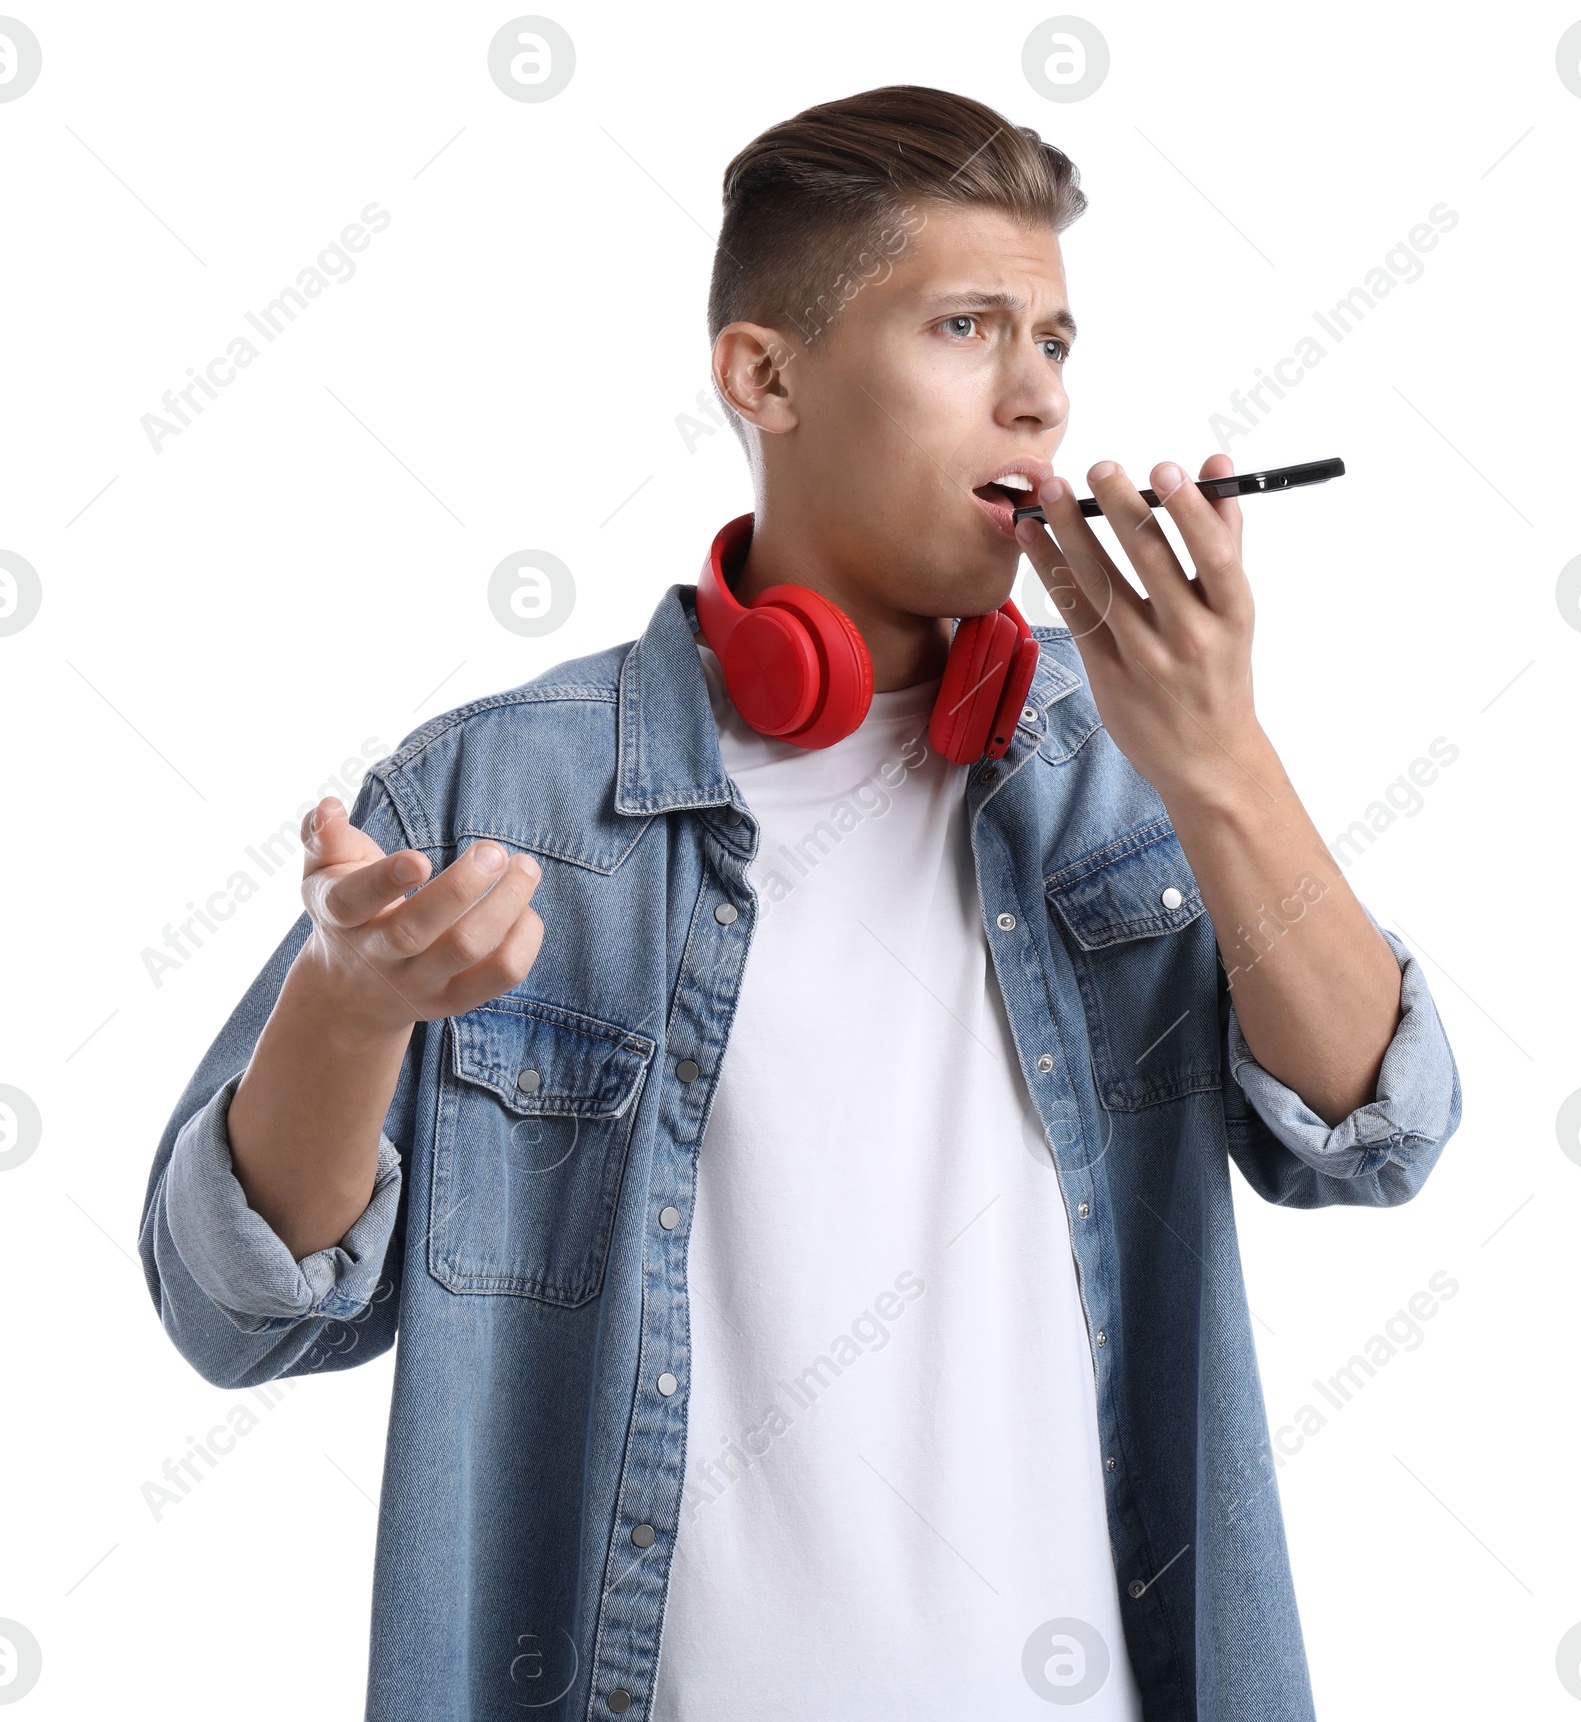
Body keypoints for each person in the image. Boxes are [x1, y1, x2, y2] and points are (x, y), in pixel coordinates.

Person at [137, 84, 1462, 1721]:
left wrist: (1222, 763)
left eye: (1055, 341)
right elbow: (231, 1310)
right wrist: (341, 1010)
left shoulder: (1129, 765)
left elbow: (1375, 1131)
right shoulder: (495, 796)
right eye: (967, 326)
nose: (1037, 397)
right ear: (764, 375)